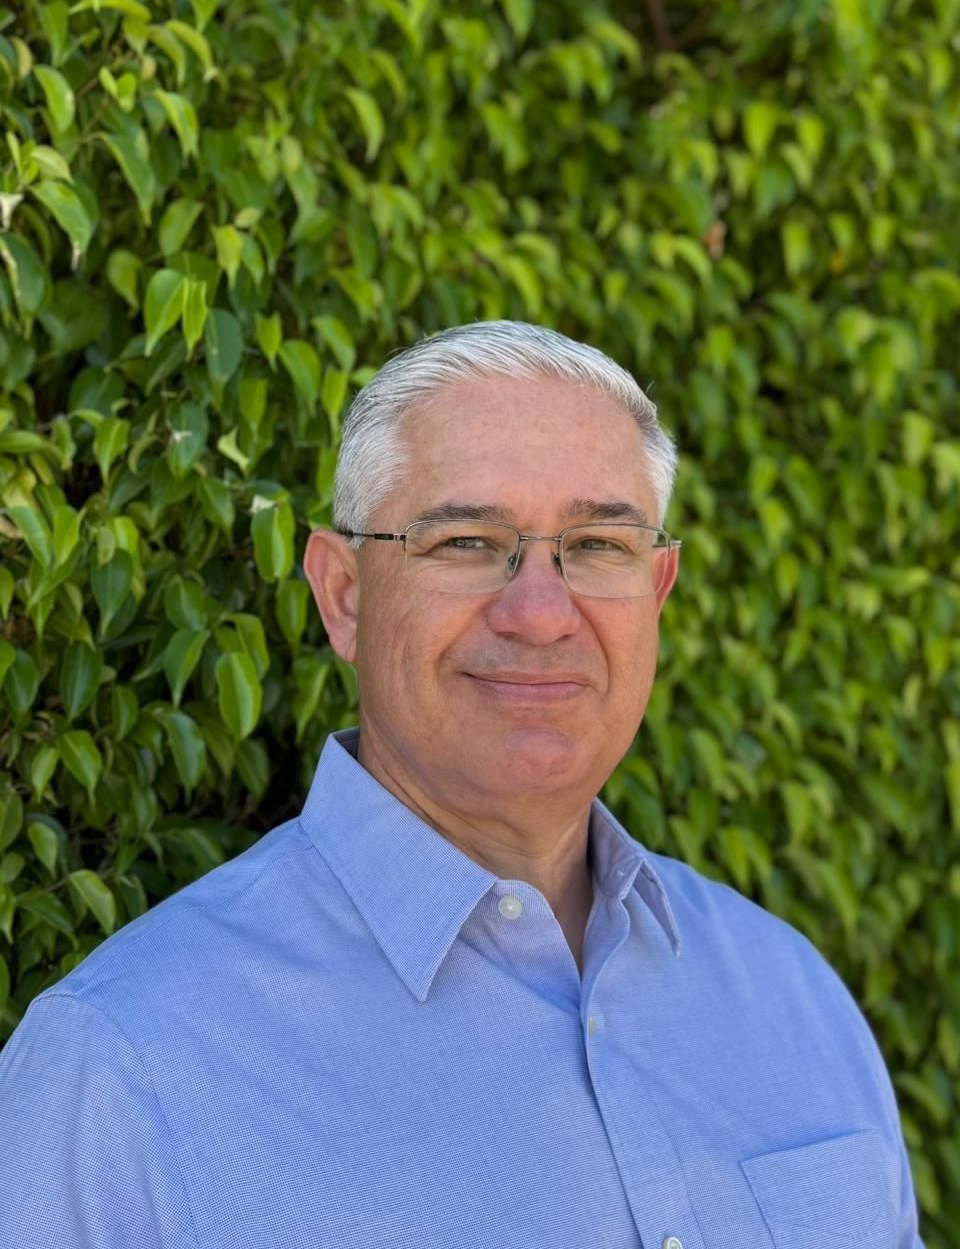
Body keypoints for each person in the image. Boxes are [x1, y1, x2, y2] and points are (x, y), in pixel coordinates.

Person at [0, 321, 921, 1248]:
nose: (540, 614)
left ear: (658, 590)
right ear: (344, 595)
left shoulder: (794, 998)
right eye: (469, 542)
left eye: (599, 545)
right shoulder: (119, 1074)